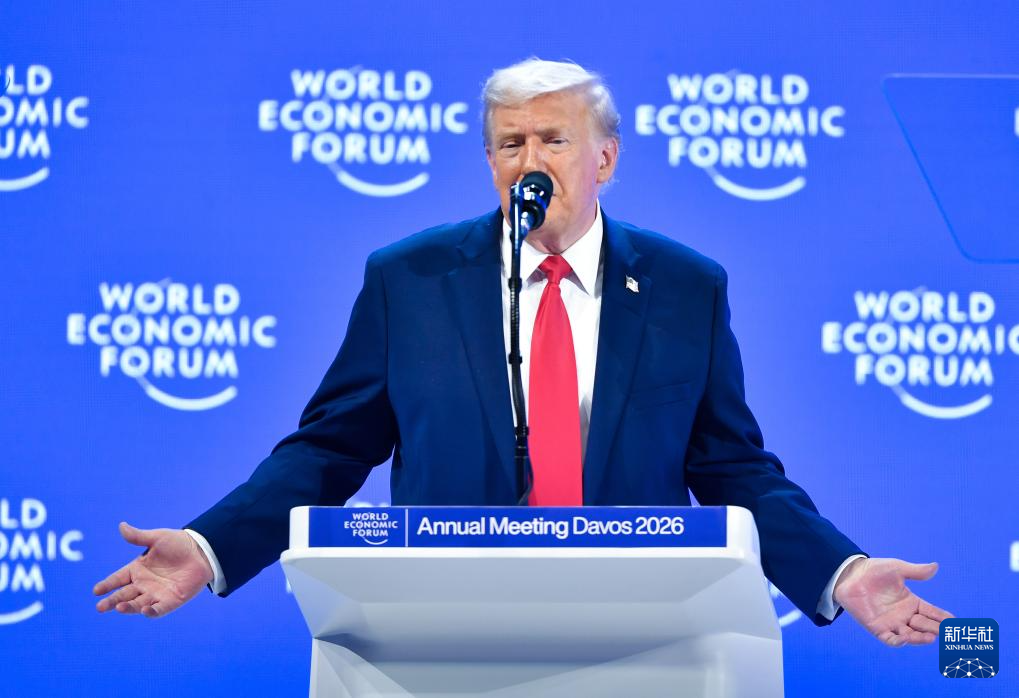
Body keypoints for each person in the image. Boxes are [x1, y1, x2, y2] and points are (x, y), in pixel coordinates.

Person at [95, 58, 951, 646]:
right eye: (509, 144)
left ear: (605, 158)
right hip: (439, 631)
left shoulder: (686, 286)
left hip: (638, 631)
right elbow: (328, 450)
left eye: (552, 140)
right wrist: (211, 546)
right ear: (489, 160)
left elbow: (731, 467)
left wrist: (839, 571)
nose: (528, 162)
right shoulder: (410, 279)